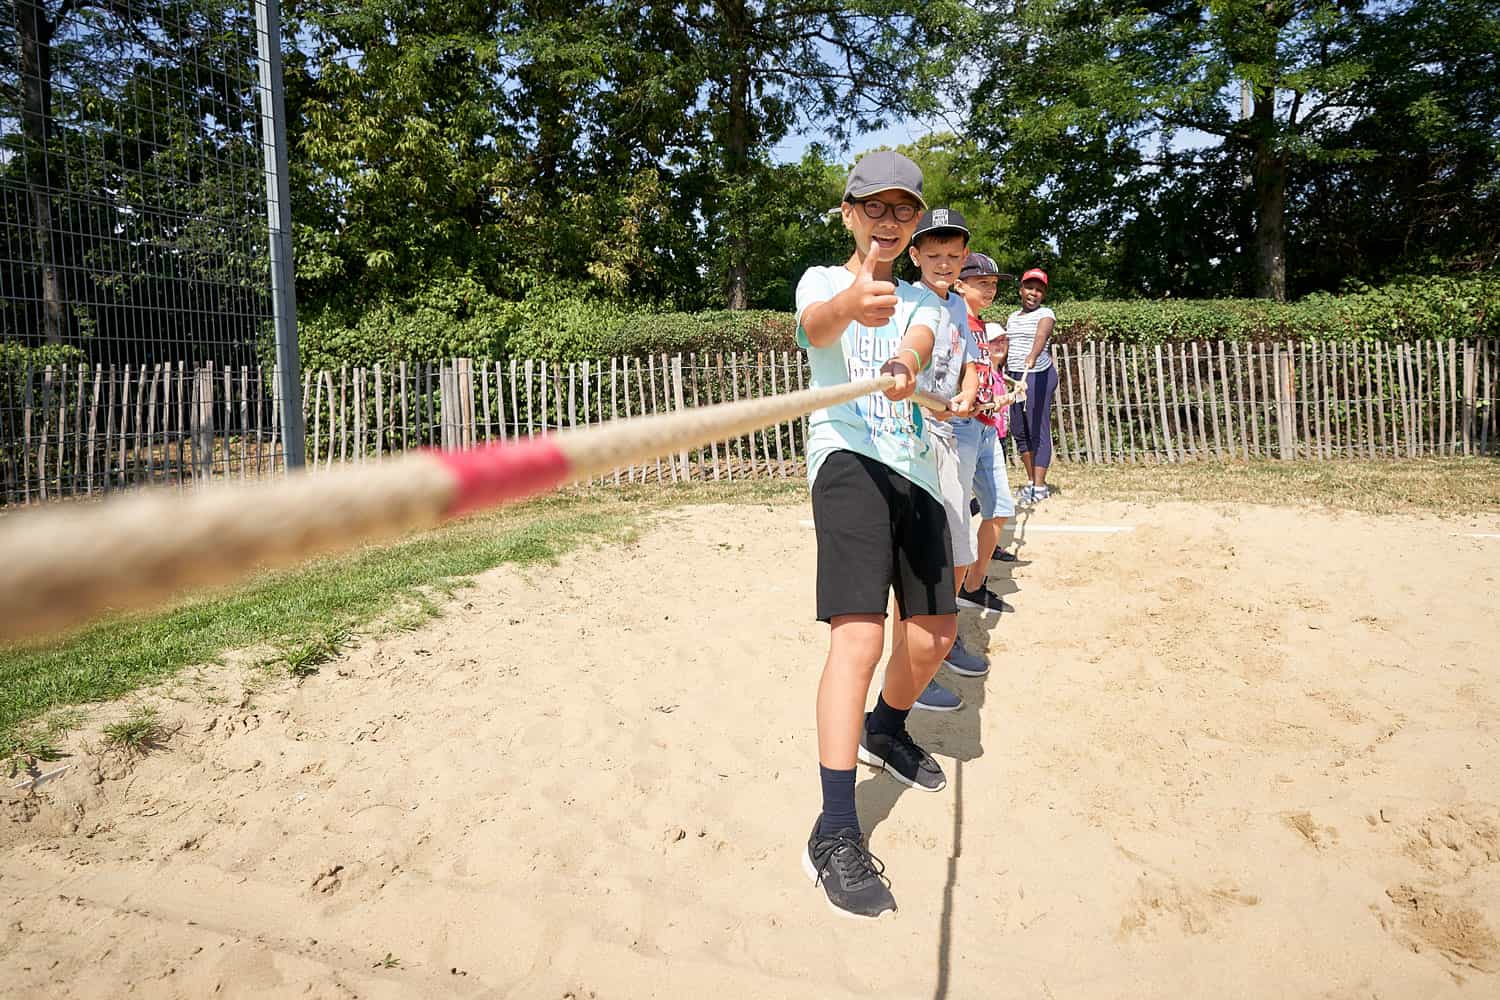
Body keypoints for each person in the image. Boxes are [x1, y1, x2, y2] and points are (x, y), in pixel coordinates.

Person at [795, 151, 956, 919]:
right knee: (858, 639)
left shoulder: (926, 300)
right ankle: (834, 830)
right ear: (850, 214)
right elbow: (814, 327)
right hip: (847, 460)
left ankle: (885, 730)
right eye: (873, 207)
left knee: (934, 636)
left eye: (902, 210)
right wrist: (850, 305)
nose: (887, 221)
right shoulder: (822, 280)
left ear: (915, 222)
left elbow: (918, 341)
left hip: (914, 470)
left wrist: (902, 358)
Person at [903, 209, 991, 703]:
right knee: (920, 563)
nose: (944, 263)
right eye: (933, 254)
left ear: (963, 258)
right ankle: (914, 670)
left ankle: (943, 636)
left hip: (951, 435)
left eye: (953, 255)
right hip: (912, 442)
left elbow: (971, 365)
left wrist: (968, 392)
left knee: (959, 553)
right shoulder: (905, 300)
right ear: (915, 255)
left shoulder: (959, 306)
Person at [951, 252, 1016, 614]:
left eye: (993, 284)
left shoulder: (981, 326)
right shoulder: (951, 319)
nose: (990, 290)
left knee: (1000, 508)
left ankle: (972, 585)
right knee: (956, 516)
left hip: (986, 426)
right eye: (982, 283)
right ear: (960, 284)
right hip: (960, 427)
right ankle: (945, 602)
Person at [1007, 269, 1058, 502]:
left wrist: (1033, 355)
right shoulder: (1012, 317)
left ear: (1043, 295)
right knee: (1020, 429)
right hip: (1016, 378)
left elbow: (1041, 336)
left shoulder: (1046, 313)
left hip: (1037, 375)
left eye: (1039, 290)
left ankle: (1040, 486)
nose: (1033, 293)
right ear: (1021, 290)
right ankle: (1031, 481)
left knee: (1037, 427)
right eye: (1029, 288)